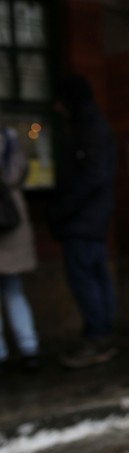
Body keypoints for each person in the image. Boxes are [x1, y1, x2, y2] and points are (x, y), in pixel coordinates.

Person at [50, 74, 118, 368]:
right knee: (96, 278)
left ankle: (97, 338)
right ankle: (101, 334)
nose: (56, 108)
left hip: (83, 218)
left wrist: (64, 209)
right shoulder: (89, 124)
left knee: (86, 280)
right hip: (92, 217)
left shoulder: (88, 127)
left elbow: (92, 175)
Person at [0, 124, 40, 374]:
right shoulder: (11, 140)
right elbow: (22, 173)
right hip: (13, 220)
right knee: (15, 292)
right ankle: (29, 349)